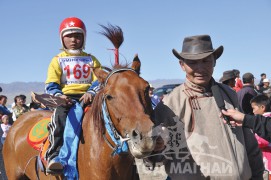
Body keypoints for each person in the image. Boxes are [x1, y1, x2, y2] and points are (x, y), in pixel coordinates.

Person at [146, 35, 263, 179]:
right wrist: (156, 147)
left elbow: (250, 144)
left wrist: (257, 175)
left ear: (214, 62)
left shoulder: (230, 94)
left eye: (206, 60)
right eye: (193, 63)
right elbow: (155, 155)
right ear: (182, 65)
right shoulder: (170, 104)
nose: (200, 68)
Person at [43, 17, 102, 174]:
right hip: (65, 98)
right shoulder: (57, 60)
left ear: (84, 38)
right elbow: (51, 84)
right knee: (59, 117)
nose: (74, 40)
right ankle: (54, 156)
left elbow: (100, 80)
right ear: (62, 38)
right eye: (69, 36)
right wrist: (59, 96)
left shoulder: (92, 59)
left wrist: (91, 92)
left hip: (89, 97)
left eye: (78, 36)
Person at [250, 94, 271, 174]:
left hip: (268, 157)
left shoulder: (262, 121)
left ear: (262, 107)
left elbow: (263, 140)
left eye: (254, 108)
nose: (253, 111)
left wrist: (251, 142)